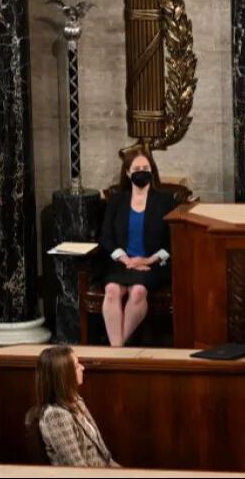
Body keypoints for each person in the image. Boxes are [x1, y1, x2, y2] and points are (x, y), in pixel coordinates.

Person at [98, 148, 176, 347]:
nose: (142, 171)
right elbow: (106, 237)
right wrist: (126, 260)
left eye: (146, 168)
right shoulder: (116, 200)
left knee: (138, 291)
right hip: (121, 263)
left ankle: (116, 350)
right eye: (137, 168)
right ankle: (119, 350)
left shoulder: (165, 201)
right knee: (112, 291)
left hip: (152, 265)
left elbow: (173, 240)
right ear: (127, 173)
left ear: (152, 171)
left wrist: (148, 260)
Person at [34, 345, 118, 467]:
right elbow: (78, 468)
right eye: (77, 366)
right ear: (64, 375)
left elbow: (105, 456)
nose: (82, 368)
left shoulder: (75, 399)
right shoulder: (56, 416)